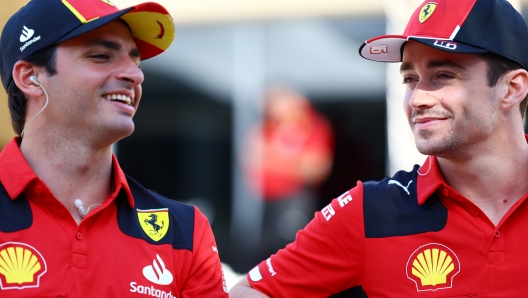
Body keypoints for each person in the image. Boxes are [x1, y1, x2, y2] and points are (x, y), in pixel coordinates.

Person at [230, 0, 528, 296]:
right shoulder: (370, 210)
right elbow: (250, 291)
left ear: (512, 89)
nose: (416, 99)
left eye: (443, 76)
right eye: (410, 79)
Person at [0, 0, 228, 296]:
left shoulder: (184, 231)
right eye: (101, 55)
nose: (135, 75)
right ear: (30, 77)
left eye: (135, 61)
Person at [240, 86, 333, 260]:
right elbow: (248, 157)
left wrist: (272, 161)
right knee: (261, 253)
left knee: (290, 250)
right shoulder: (268, 127)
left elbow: (317, 167)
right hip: (264, 201)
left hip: (293, 200)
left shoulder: (312, 125)